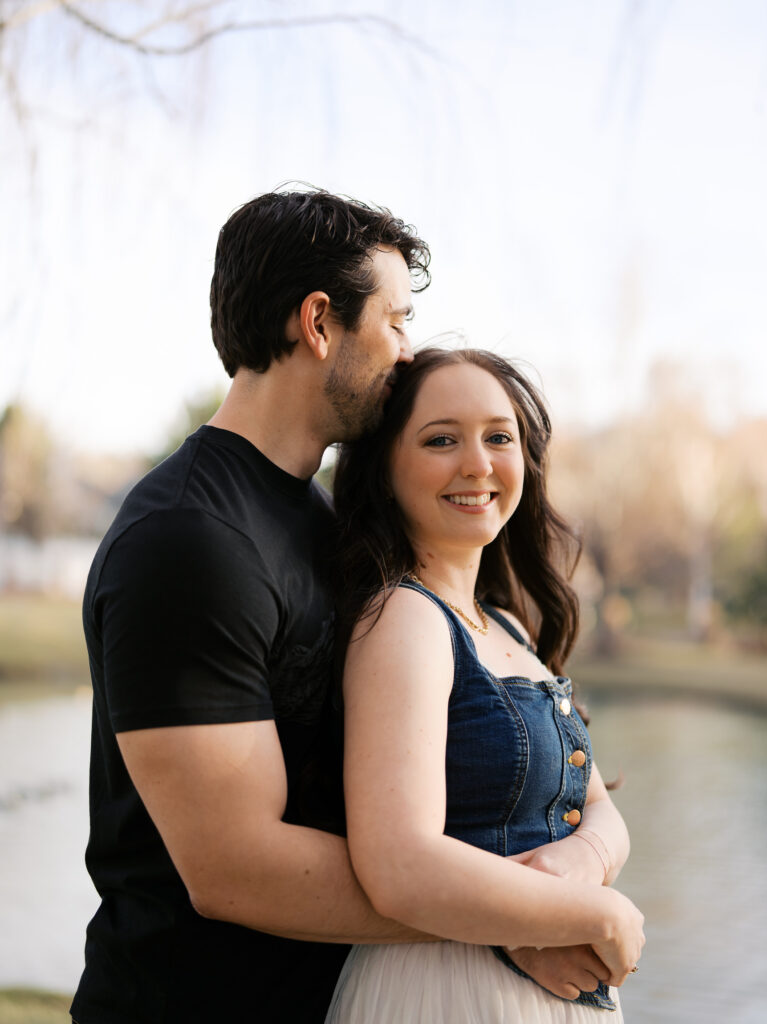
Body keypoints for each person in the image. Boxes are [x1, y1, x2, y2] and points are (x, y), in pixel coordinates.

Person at [70, 188, 435, 1024]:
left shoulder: (317, 517)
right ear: (318, 324)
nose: (408, 353)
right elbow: (235, 867)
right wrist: (492, 916)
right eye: (396, 320)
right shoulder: (188, 536)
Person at [326, 346, 645, 1022]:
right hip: (447, 992)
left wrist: (579, 869)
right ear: (386, 468)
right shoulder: (405, 619)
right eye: (442, 439)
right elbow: (400, 863)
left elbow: (599, 807)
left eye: (498, 437)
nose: (477, 464)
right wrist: (597, 913)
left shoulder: (505, 624)